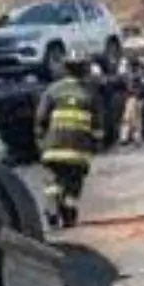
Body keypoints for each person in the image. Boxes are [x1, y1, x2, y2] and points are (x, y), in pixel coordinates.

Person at [35, 53, 99, 228]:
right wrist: (94, 146)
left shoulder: (52, 91)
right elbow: (98, 128)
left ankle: (51, 209)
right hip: (78, 152)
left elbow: (41, 119)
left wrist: (41, 143)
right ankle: (69, 215)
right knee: (73, 184)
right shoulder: (89, 93)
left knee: (52, 182)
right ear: (84, 70)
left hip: (53, 148)